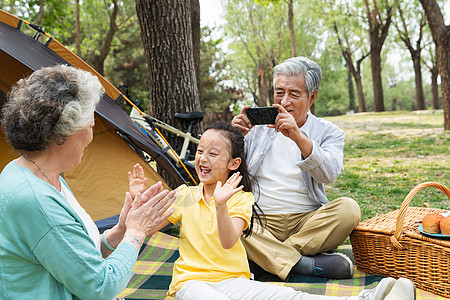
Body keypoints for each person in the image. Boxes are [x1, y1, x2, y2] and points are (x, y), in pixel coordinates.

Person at [130, 122, 416, 300]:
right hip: (191, 284)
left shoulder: (239, 200)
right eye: (200, 151)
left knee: (288, 296)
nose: (202, 159)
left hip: (234, 281)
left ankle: (367, 297)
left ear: (233, 164)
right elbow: (145, 228)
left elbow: (229, 240)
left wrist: (220, 204)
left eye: (213, 153)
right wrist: (139, 199)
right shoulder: (184, 195)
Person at [0, 65, 175, 300]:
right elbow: (100, 285)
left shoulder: (41, 175)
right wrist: (137, 231)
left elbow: (76, 255)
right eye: (90, 123)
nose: (92, 134)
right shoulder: (34, 198)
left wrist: (120, 231)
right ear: (65, 131)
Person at [231, 56, 361, 281]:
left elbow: (329, 174)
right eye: (279, 92)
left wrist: (299, 138)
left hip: (307, 222)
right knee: (222, 215)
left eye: (294, 94)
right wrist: (231, 140)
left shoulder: (329, 132)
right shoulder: (256, 129)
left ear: (312, 97)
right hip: (259, 220)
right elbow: (223, 173)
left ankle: (266, 260)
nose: (285, 101)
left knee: (349, 210)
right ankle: (301, 264)